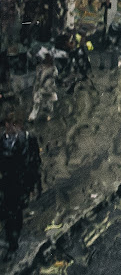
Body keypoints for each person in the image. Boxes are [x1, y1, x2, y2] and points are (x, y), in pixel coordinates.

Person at [0, 113, 41, 258]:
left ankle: (12, 245)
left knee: (14, 216)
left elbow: (36, 163)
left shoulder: (29, 139)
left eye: (18, 124)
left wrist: (36, 185)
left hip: (19, 184)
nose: (17, 128)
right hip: (4, 183)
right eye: (13, 124)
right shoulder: (2, 140)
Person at [28, 52, 58, 122]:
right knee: (36, 103)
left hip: (48, 88)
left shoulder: (53, 69)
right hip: (39, 88)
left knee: (49, 103)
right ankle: (32, 117)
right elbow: (37, 78)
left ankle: (49, 115)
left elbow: (53, 77)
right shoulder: (39, 68)